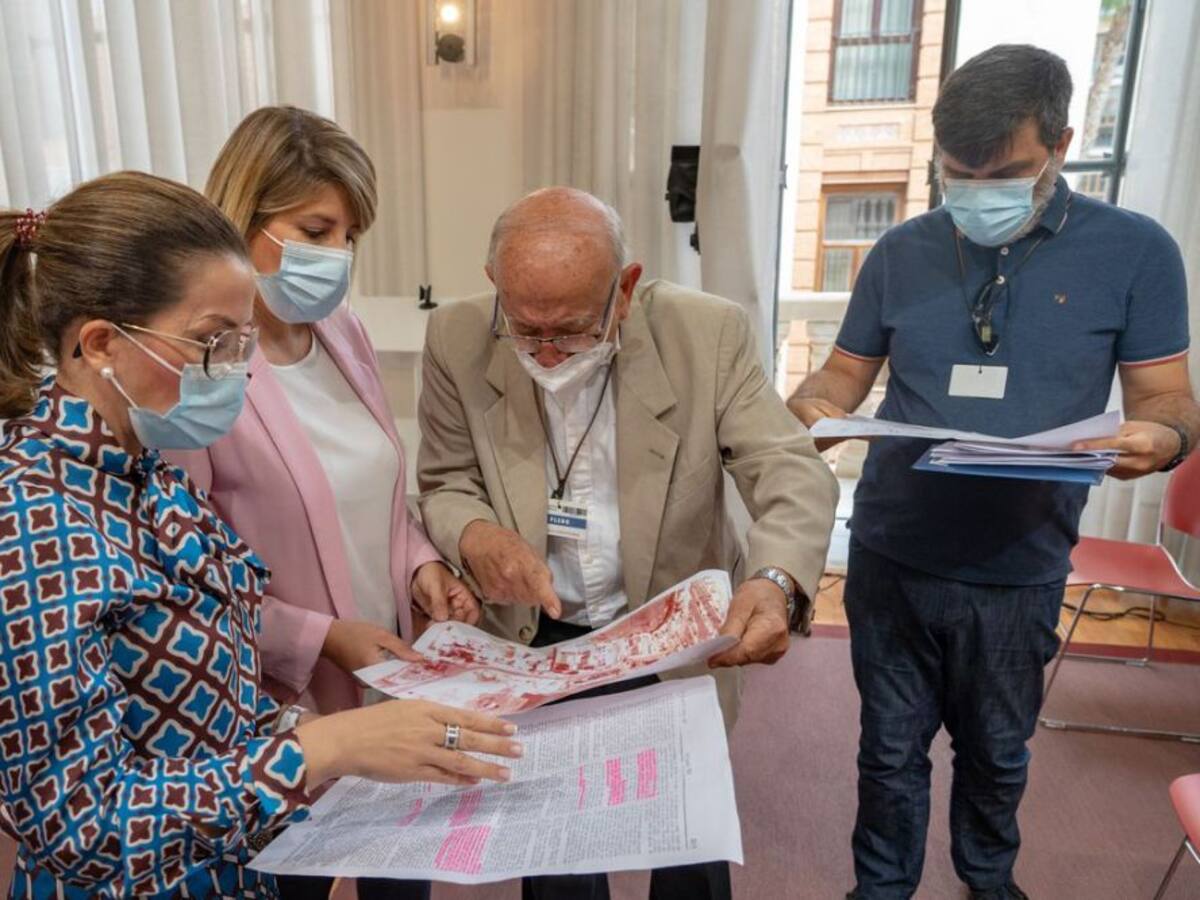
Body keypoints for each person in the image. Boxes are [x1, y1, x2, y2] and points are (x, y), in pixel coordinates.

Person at [0, 172, 520, 899]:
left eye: (243, 342)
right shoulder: (34, 521)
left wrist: (339, 775)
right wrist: (322, 747)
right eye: (212, 342)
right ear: (102, 344)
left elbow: (211, 699)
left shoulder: (148, 468)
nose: (238, 374)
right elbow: (79, 827)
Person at [788, 45, 1199, 900]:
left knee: (997, 750)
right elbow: (838, 379)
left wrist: (1159, 441)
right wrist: (808, 415)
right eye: (957, 174)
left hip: (1021, 562)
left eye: (1004, 173)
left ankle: (987, 879)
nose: (977, 193)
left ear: (1061, 144)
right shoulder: (900, 251)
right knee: (888, 750)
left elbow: (1168, 401)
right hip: (893, 551)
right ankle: (881, 888)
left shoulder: (1135, 252)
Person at [418, 186, 840, 900]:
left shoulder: (705, 333)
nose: (547, 352)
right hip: (540, 634)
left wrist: (774, 580)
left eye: (572, 330)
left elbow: (789, 468)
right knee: (557, 846)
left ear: (625, 288)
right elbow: (446, 477)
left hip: (669, 627)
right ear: (496, 286)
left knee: (687, 836)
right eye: (525, 329)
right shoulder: (457, 337)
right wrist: (474, 530)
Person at [168, 104, 481, 900]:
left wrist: (421, 566)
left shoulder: (343, 333)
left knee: (401, 881)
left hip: (391, 676)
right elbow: (182, 583)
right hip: (283, 706)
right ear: (244, 219)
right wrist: (324, 637)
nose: (336, 255)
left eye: (349, 236)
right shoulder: (199, 372)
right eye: (316, 230)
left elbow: (376, 493)